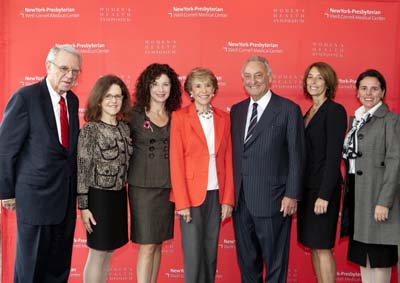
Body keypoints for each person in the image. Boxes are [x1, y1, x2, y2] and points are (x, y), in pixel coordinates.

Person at [0, 44, 81, 282]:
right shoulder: (25, 98)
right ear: (48, 66)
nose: (70, 75)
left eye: (75, 71)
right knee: (31, 270)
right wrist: (6, 191)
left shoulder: (73, 101)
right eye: (64, 68)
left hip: (64, 200)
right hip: (35, 199)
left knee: (58, 269)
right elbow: (5, 149)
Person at [230, 55, 306, 283]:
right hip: (240, 201)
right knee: (247, 264)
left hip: (274, 201)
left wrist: (292, 194)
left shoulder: (288, 109)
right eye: (248, 76)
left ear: (270, 78)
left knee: (275, 265)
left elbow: (297, 155)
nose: (253, 81)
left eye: (258, 75)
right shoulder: (237, 110)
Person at [169, 67, 234, 283]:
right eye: (198, 86)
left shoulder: (224, 117)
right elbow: (176, 162)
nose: (204, 90)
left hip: (217, 194)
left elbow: (228, 160)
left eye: (207, 85)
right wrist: (182, 202)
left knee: (210, 253)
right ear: (190, 91)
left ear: (214, 89)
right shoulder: (179, 118)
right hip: (190, 196)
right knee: (193, 255)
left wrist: (227, 199)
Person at [341, 69, 400, 283]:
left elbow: (395, 162)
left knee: (380, 258)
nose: (369, 93)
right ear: (357, 92)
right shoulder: (356, 120)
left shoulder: (391, 120)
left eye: (374, 89)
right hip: (358, 194)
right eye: (364, 88)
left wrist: (384, 202)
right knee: (363, 257)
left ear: (382, 92)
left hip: (378, 196)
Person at [128, 63, 182, 283]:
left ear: (172, 88)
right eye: (155, 84)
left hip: (167, 186)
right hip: (142, 187)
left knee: (158, 242)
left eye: (166, 84)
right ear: (146, 87)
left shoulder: (176, 115)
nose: (161, 89)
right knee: (148, 244)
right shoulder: (133, 115)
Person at [77, 74, 132, 283]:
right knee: (98, 252)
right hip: (97, 198)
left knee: (109, 252)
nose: (114, 101)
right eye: (108, 96)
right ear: (99, 99)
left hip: (118, 197)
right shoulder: (90, 129)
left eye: (118, 96)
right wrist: (84, 207)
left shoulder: (125, 128)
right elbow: (82, 168)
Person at [296, 62, 347, 283]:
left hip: (323, 191)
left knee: (323, 247)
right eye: (310, 77)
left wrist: (324, 195)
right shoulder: (308, 112)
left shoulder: (335, 111)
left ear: (328, 83)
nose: (313, 82)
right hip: (307, 190)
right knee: (313, 247)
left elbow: (334, 157)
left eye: (319, 78)